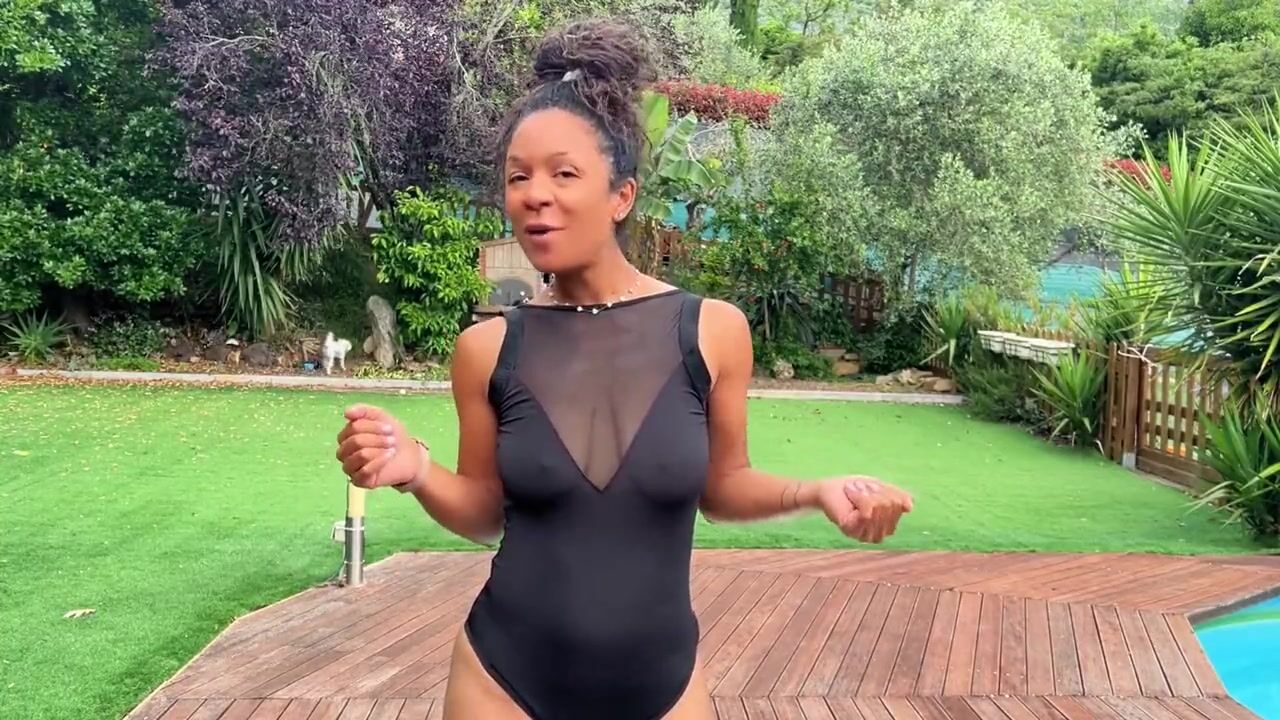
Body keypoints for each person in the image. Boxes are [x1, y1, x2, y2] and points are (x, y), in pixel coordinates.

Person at [334, 18, 914, 720]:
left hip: (662, 687)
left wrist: (817, 491)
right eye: (518, 176)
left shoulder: (711, 332)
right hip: (502, 681)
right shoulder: (487, 349)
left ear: (622, 196)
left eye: (564, 174)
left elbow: (723, 488)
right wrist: (417, 470)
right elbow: (486, 513)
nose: (534, 194)